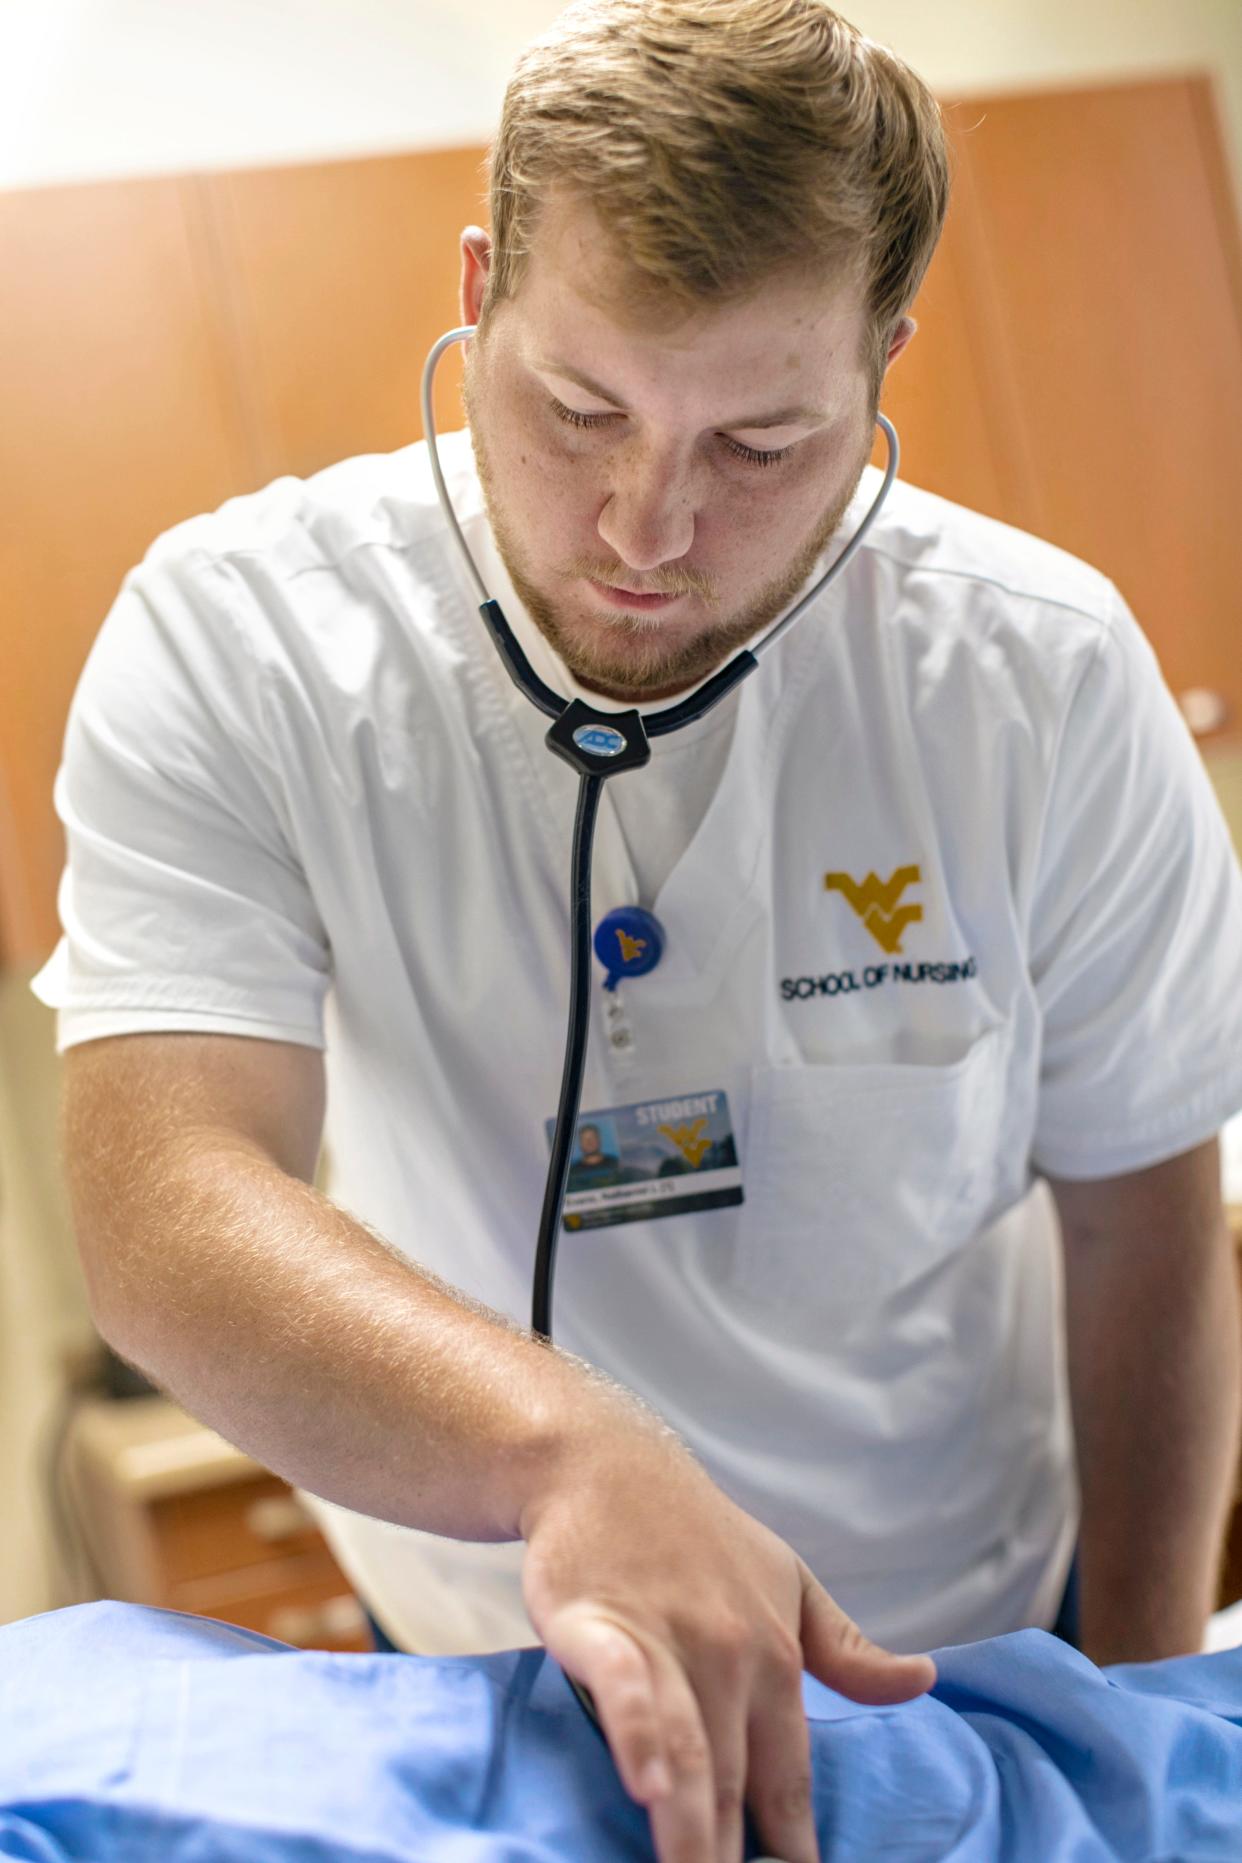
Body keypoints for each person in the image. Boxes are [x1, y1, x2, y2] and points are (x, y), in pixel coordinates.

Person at [31, 3, 1242, 1861]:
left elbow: (1143, 1218)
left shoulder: (1038, 681)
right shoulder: (241, 643)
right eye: (576, 409)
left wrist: (1135, 1714)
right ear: (477, 288)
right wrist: (561, 1450)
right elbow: (161, 1201)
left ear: (879, 366)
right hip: (489, 1640)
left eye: (761, 439)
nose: (645, 526)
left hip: (971, 1642)